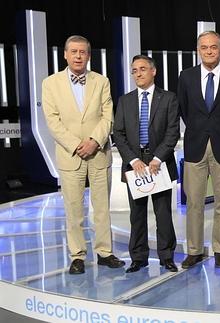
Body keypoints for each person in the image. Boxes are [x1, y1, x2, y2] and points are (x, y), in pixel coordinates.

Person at [42, 35, 125, 274]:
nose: (78, 56)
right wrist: (77, 145)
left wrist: (94, 141)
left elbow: (107, 115)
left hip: (99, 153)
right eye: (74, 52)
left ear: (89, 56)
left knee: (101, 208)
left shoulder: (101, 81)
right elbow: (52, 121)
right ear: (65, 55)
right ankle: (77, 256)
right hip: (70, 156)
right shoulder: (50, 83)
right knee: (74, 209)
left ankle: (105, 253)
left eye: (83, 52)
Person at [178, 31, 220, 268]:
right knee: (194, 202)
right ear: (198, 50)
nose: (209, 51)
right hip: (195, 146)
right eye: (204, 47)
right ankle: (194, 250)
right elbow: (184, 110)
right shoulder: (186, 77)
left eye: (213, 47)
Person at [113, 55, 179, 273]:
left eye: (142, 69)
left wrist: (158, 158)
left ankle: (166, 256)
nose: (138, 74)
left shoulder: (168, 98)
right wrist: (133, 160)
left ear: (153, 71)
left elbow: (173, 132)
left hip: (159, 163)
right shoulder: (125, 100)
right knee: (137, 214)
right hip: (135, 165)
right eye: (134, 70)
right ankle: (138, 257)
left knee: (163, 213)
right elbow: (119, 134)